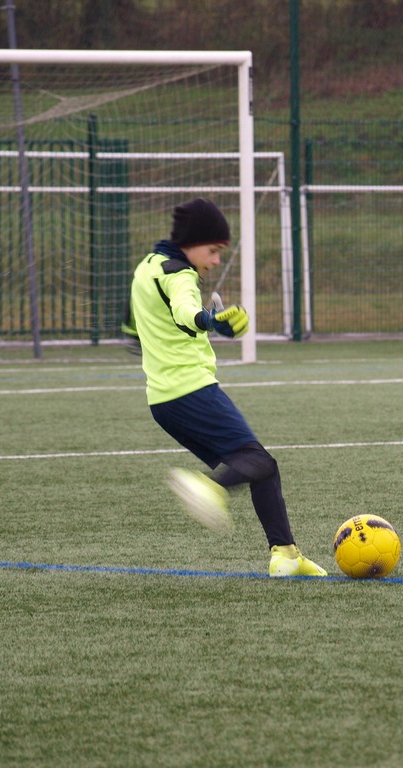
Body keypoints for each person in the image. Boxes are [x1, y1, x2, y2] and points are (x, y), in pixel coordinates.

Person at [124, 198, 327, 578]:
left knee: (261, 466)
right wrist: (210, 320)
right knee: (256, 460)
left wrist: (139, 336)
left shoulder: (146, 267)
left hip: (162, 402)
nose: (216, 261)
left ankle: (286, 555)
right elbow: (185, 311)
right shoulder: (179, 274)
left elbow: (133, 321)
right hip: (193, 392)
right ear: (192, 242)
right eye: (213, 250)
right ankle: (210, 488)